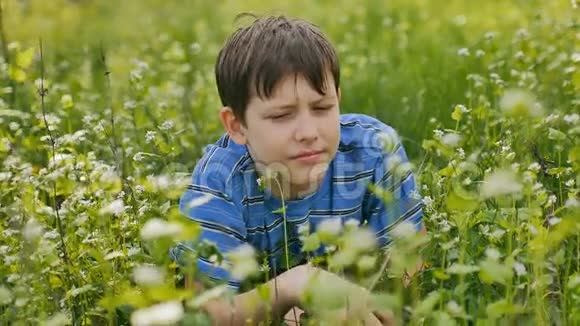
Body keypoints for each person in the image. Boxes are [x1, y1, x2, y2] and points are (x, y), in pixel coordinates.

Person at [169, 14, 426, 325]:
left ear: (338, 100)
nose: (308, 131)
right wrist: (297, 284)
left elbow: (411, 267)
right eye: (281, 116)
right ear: (237, 125)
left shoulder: (373, 149)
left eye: (322, 108)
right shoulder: (218, 180)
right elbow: (205, 312)